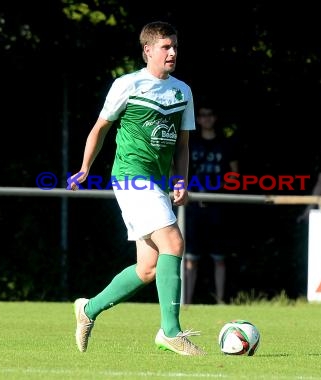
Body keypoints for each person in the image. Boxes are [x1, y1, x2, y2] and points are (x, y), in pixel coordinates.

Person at [67, 21, 205, 356]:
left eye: (174, 46)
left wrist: (180, 180)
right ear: (147, 50)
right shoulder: (128, 84)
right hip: (131, 177)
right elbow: (100, 128)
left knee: (148, 268)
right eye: (165, 47)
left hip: (157, 182)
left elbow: (183, 144)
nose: (172, 52)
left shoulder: (182, 91)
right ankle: (171, 332)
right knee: (174, 240)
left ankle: (88, 309)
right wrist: (85, 167)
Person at [183, 102, 239, 305]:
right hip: (193, 206)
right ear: (197, 119)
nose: (206, 118)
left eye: (210, 114)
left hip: (218, 206)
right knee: (190, 258)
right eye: (202, 115)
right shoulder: (191, 142)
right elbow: (178, 169)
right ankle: (186, 301)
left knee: (219, 257)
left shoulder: (225, 144)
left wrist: (218, 189)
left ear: (215, 118)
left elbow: (234, 174)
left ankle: (220, 301)